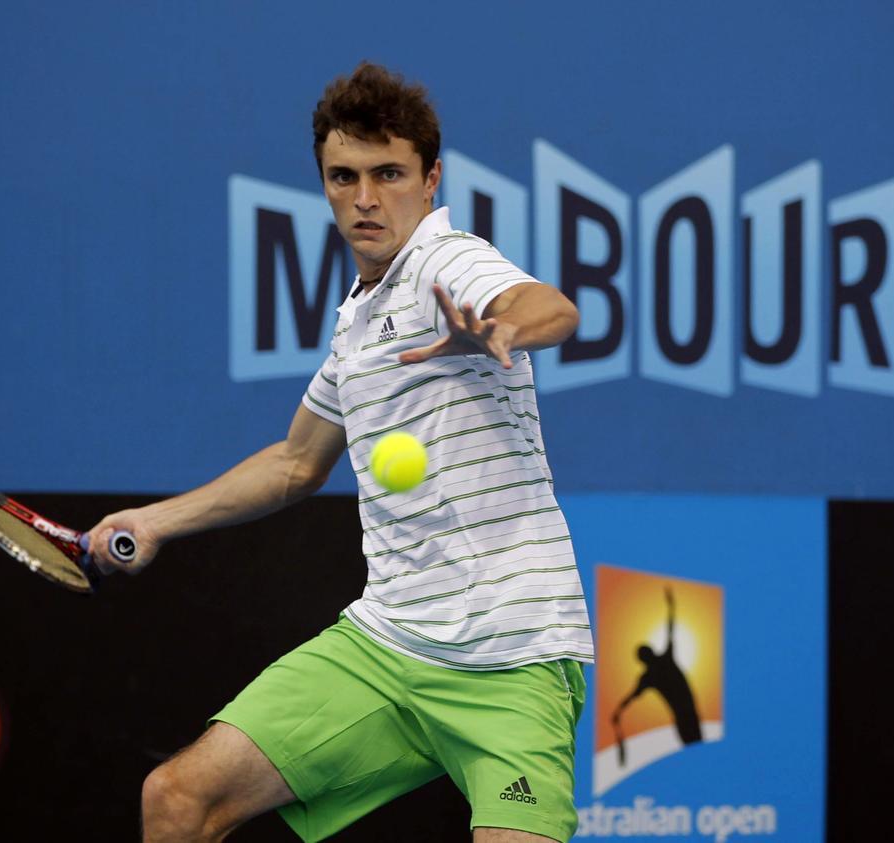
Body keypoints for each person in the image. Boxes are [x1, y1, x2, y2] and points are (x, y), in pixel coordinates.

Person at [87, 62, 593, 843]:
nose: (365, 198)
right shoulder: (359, 322)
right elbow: (295, 463)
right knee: (179, 798)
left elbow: (549, 306)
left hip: (513, 654)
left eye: (388, 174)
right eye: (343, 176)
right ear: (323, 183)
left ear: (430, 179)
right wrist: (155, 521)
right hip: (388, 646)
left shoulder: (442, 262)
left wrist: (502, 328)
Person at [610, 587, 702, 753]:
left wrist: (671, 606)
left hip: (687, 715)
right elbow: (630, 697)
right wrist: (618, 712)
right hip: (685, 716)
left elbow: (670, 628)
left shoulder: (653, 672)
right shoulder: (654, 671)